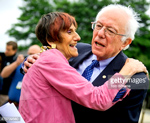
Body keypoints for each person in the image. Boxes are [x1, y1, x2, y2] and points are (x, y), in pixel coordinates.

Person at [23, 4, 149, 123]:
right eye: (98, 26)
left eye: (110, 31)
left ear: (125, 42)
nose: (100, 34)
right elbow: (47, 59)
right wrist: (29, 61)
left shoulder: (137, 79)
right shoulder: (75, 50)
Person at [0, 41, 22, 106]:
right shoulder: (4, 58)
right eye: (6, 49)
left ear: (14, 50)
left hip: (8, 94)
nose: (6, 51)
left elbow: (3, 74)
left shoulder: (16, 60)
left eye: (8, 50)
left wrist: (17, 63)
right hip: (2, 90)